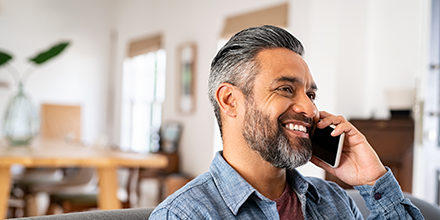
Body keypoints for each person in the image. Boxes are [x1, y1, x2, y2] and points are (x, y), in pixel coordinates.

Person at [150, 25, 424, 219]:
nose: (309, 108)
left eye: (311, 94)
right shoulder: (184, 214)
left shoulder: (335, 202)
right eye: (285, 89)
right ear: (230, 100)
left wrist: (373, 180)